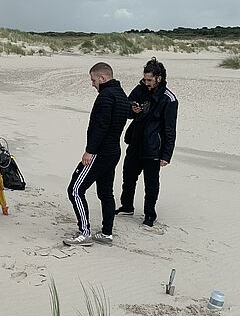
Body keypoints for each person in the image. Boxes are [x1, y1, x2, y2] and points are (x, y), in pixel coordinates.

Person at [64, 62, 131, 246]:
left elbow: (101, 126)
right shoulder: (121, 94)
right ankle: (106, 233)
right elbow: (125, 115)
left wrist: (89, 151)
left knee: (75, 190)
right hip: (113, 151)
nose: (92, 84)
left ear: (102, 78)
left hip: (100, 152)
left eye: (93, 80)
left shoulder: (106, 96)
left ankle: (84, 232)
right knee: (105, 193)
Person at [116, 57, 178, 227]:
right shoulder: (140, 89)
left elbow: (170, 130)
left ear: (159, 78)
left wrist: (166, 155)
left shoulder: (169, 99)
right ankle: (127, 206)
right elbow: (127, 108)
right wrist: (132, 109)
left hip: (153, 148)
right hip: (135, 142)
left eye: (149, 79)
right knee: (128, 176)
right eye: (145, 79)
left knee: (151, 183)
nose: (146, 82)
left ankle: (150, 214)